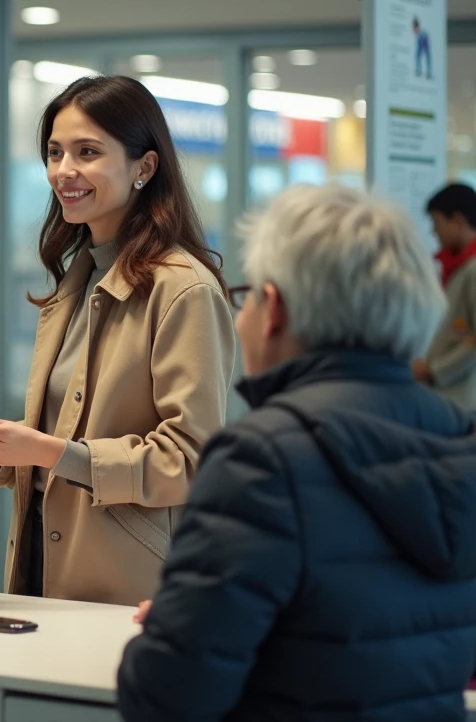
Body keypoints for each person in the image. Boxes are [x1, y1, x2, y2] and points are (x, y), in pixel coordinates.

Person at [118, 186, 476, 722]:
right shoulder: (459, 438)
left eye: (248, 298)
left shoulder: (261, 459)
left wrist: (178, 622)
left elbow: (168, 695)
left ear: (275, 311)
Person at [0, 75, 235, 605]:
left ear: (144, 167)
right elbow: (65, 434)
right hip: (44, 563)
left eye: (88, 152)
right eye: (54, 152)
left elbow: (190, 461)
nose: (64, 171)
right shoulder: (78, 278)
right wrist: (0, 453)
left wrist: (46, 450)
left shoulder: (183, 289)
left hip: (132, 583)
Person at [415, 182, 476, 407]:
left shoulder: (472, 269)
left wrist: (433, 370)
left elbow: (474, 341)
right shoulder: (456, 267)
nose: (434, 231)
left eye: (437, 222)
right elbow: (464, 330)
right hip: (449, 396)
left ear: (458, 220)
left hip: (465, 401)